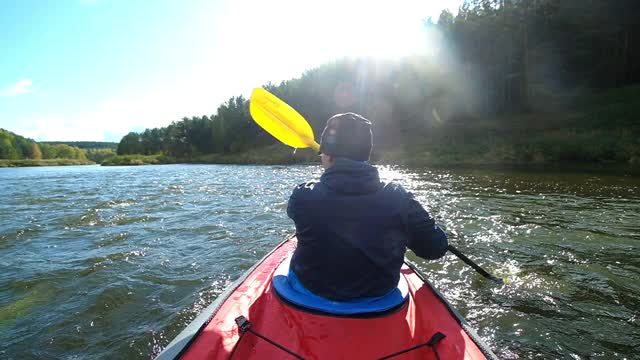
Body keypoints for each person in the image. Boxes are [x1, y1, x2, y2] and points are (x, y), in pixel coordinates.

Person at [286, 112, 448, 301]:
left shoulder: (303, 196)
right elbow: (434, 249)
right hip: (380, 297)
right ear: (366, 154)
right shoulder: (399, 198)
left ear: (327, 155)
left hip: (311, 292)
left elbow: (296, 211)